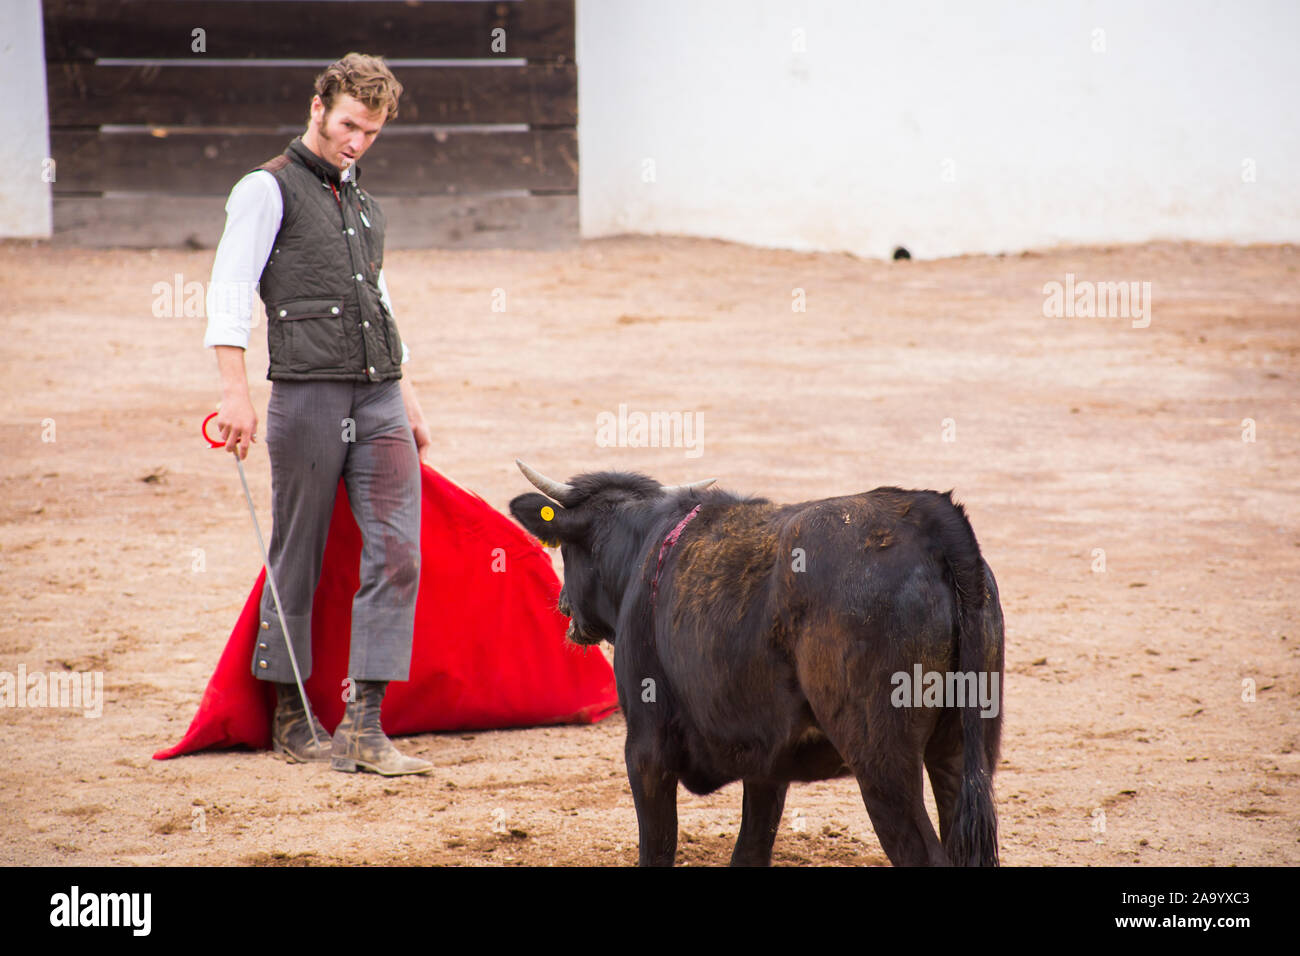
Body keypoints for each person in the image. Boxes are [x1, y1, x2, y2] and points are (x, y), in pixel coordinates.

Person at [204, 53, 432, 776]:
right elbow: (230, 290)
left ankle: (365, 721)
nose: (357, 141)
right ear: (317, 109)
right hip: (306, 392)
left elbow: (379, 297)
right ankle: (292, 710)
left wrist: (409, 389)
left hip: (380, 392)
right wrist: (235, 391)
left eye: (371, 131)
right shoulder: (265, 190)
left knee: (399, 550)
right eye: (348, 125)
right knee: (298, 550)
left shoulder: (364, 201)